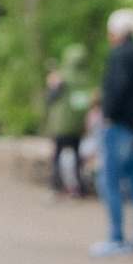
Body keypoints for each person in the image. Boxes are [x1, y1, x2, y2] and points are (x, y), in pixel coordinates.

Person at [90, 9, 133, 258]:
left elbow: (116, 90)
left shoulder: (119, 57)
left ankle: (116, 238)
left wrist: (107, 114)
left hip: (119, 127)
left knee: (110, 182)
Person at [41, 50, 91, 199]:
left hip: (61, 125)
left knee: (57, 156)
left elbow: (50, 98)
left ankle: (56, 187)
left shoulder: (63, 78)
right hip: (78, 125)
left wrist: (51, 85)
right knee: (77, 157)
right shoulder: (85, 79)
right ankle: (79, 188)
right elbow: (83, 104)